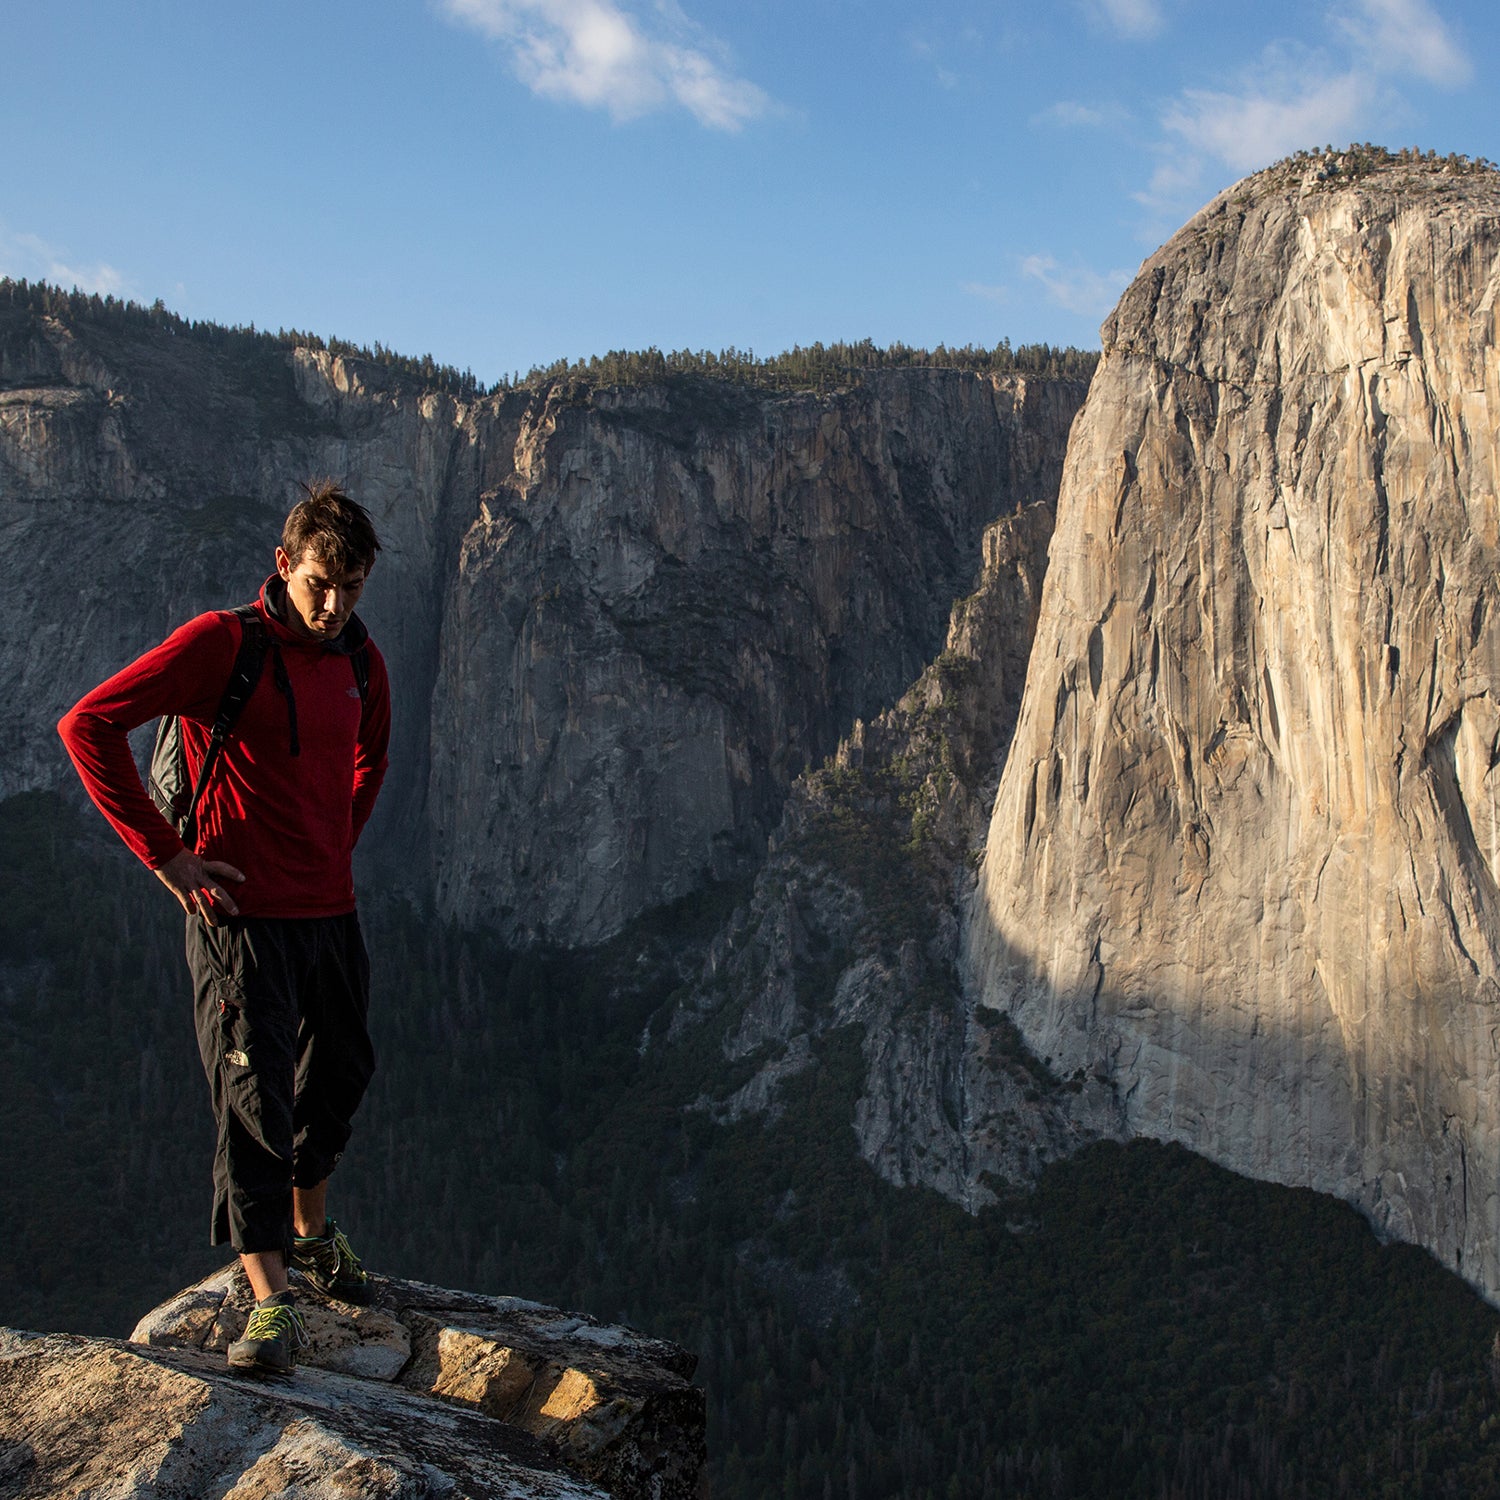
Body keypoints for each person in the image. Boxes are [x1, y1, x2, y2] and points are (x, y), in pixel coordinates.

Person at [58, 481, 391, 1376]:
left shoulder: (360, 660)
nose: (334, 606)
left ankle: (311, 1232)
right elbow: (88, 724)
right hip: (236, 920)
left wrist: (330, 846)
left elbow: (372, 757)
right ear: (284, 566)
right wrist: (169, 859)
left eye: (353, 589)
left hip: (329, 913)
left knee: (343, 1072)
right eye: (322, 583)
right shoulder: (221, 646)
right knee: (255, 1105)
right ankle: (271, 1298)